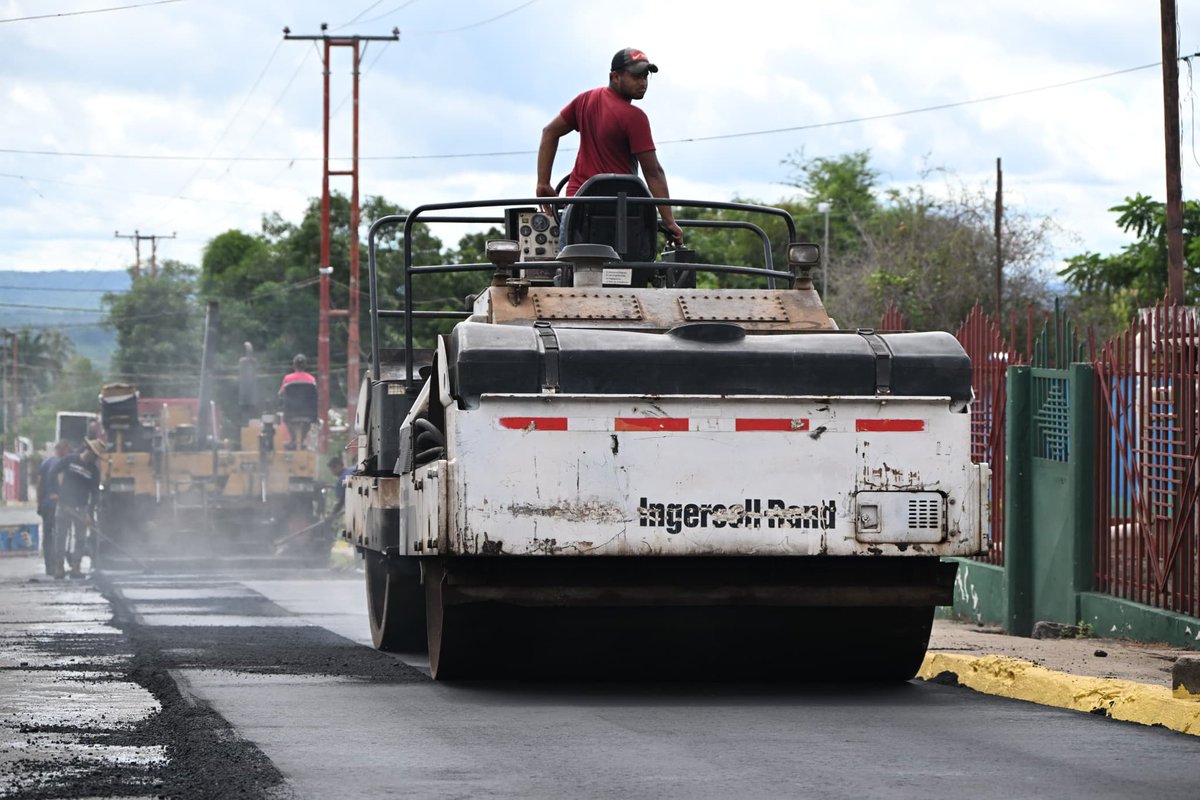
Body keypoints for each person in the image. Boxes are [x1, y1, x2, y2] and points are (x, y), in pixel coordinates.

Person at [537, 47, 684, 243]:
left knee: (572, 271)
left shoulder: (585, 100)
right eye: (636, 77)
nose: (643, 83)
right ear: (615, 76)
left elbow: (549, 132)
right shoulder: (635, 118)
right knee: (623, 272)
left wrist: (543, 183)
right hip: (618, 215)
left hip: (576, 210)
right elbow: (653, 172)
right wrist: (668, 220)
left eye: (645, 77)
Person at [48, 439, 104, 579]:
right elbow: (52, 473)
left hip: (81, 507)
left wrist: (90, 515)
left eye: (97, 456)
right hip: (64, 505)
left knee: (80, 538)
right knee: (60, 537)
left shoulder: (94, 470)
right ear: (87, 449)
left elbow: (94, 494)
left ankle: (76, 567)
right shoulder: (70, 460)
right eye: (94, 454)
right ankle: (59, 567)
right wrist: (53, 491)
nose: (94, 458)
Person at [36, 439, 69, 577]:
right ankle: (57, 566)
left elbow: (39, 484)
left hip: (45, 504)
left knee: (48, 535)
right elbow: (61, 481)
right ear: (63, 449)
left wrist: (39, 503)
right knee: (59, 536)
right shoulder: (61, 463)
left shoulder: (46, 462)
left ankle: (48, 567)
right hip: (57, 504)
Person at [278, 354, 317, 450]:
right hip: (308, 413)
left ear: (294, 365)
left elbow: (280, 393)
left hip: (291, 412)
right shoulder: (311, 379)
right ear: (305, 366)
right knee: (307, 425)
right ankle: (301, 440)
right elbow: (315, 395)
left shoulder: (287, 379)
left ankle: (293, 440)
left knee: (287, 421)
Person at [238, 341, 260, 426]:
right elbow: (247, 359)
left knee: (253, 415)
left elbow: (252, 359)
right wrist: (248, 346)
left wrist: (249, 347)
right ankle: (244, 429)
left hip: (252, 395)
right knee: (244, 415)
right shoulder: (242, 361)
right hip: (244, 395)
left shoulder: (253, 362)